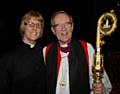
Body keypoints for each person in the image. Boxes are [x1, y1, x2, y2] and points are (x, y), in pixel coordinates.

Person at [43, 11, 112, 94]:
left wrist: (100, 88)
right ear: (53, 30)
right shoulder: (46, 51)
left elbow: (102, 81)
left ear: (72, 27)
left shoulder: (86, 48)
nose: (63, 28)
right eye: (58, 25)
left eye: (67, 23)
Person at [0, 10, 46, 94]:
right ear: (23, 27)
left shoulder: (45, 52)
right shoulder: (9, 56)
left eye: (38, 25)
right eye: (31, 24)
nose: (35, 28)